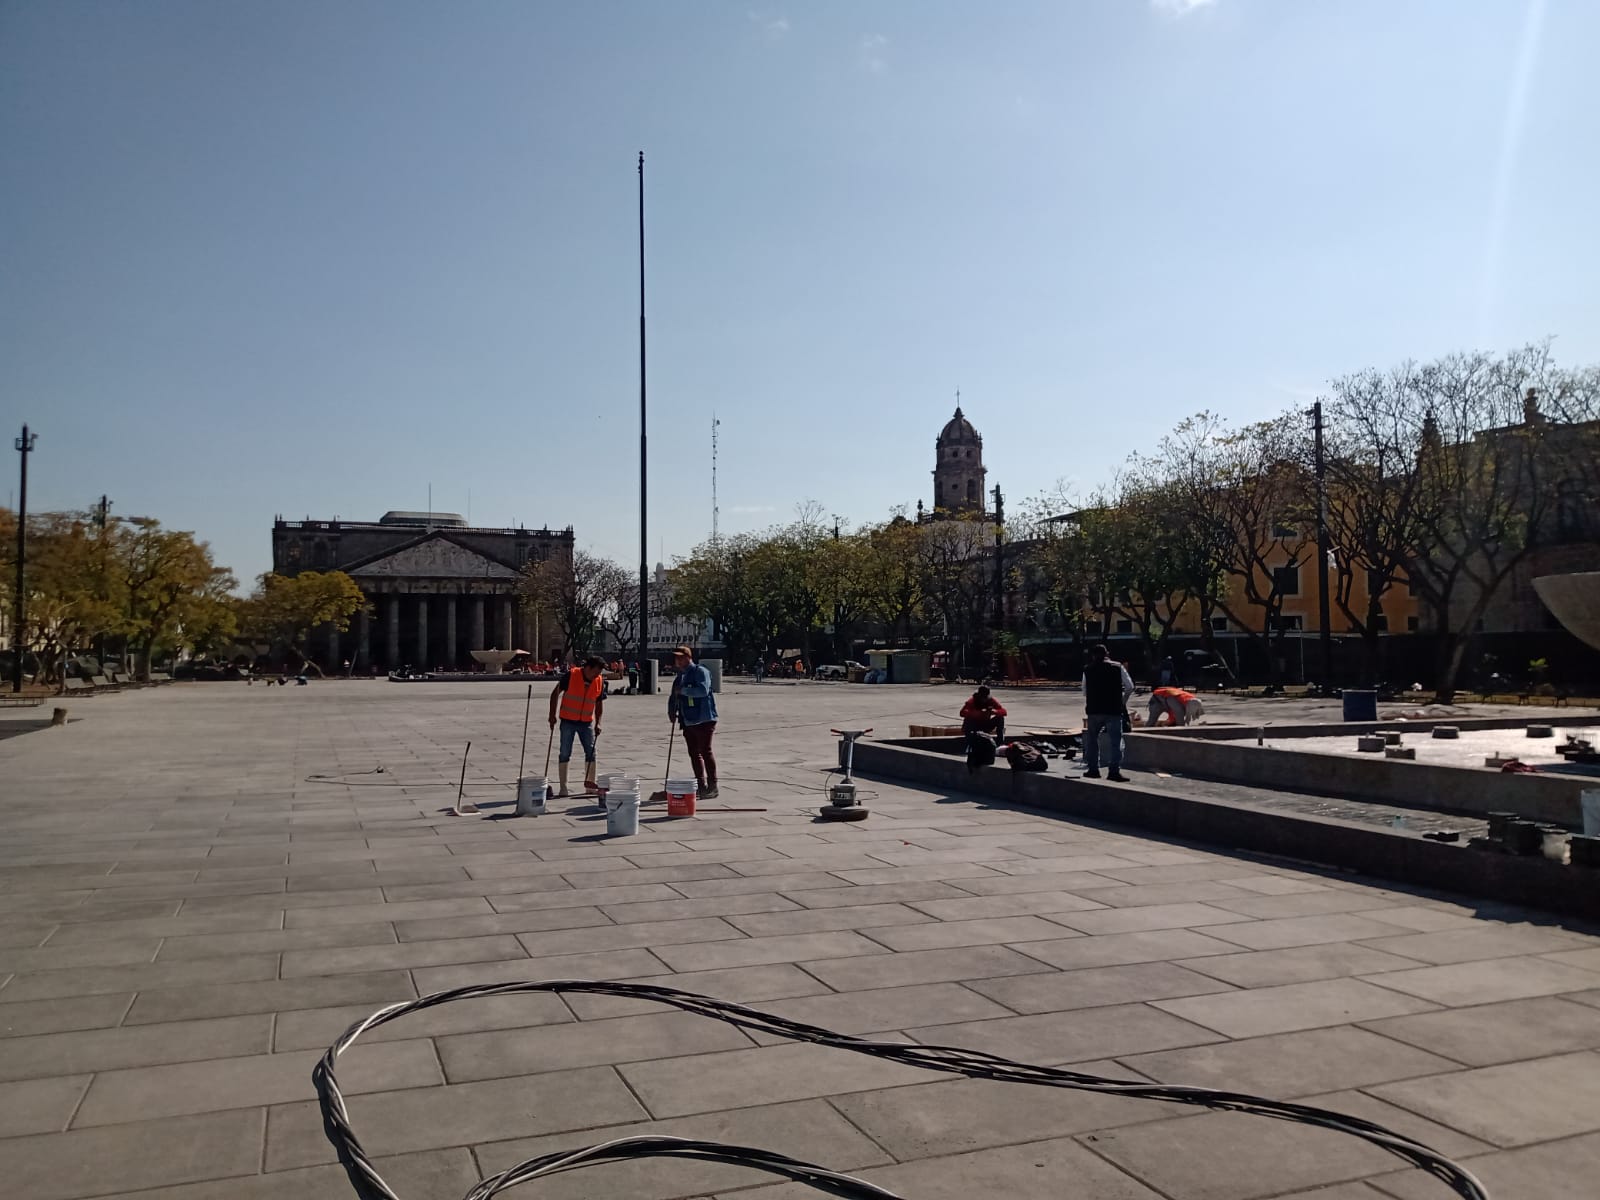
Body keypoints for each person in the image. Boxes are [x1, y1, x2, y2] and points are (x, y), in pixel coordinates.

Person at [548, 655, 606, 797]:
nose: (596, 676)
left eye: (599, 674)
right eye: (595, 672)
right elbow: (554, 694)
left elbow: (599, 704)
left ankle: (590, 785)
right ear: (588, 668)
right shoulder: (572, 675)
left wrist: (598, 722)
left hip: (586, 722)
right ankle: (563, 787)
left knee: (591, 751)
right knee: (565, 752)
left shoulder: (598, 681)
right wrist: (552, 715)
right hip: (568, 720)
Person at [667, 645, 719, 798]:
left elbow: (703, 690)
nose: (679, 660)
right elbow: (673, 696)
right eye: (677, 658)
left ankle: (712, 785)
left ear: (689, 657)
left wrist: (683, 691)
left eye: (681, 657)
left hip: (703, 718)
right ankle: (700, 785)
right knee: (694, 754)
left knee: (705, 751)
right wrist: (671, 711)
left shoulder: (700, 672)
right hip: (688, 720)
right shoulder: (680, 677)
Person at [1082, 644, 1133, 781]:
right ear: (1107, 654)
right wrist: (1122, 702)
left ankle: (1093, 770)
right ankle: (1114, 772)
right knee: (1116, 742)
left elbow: (1084, 691)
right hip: (1113, 710)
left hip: (1094, 710)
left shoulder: (1088, 669)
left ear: (1092, 655)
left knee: (1092, 740)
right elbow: (1130, 687)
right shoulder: (1117, 667)